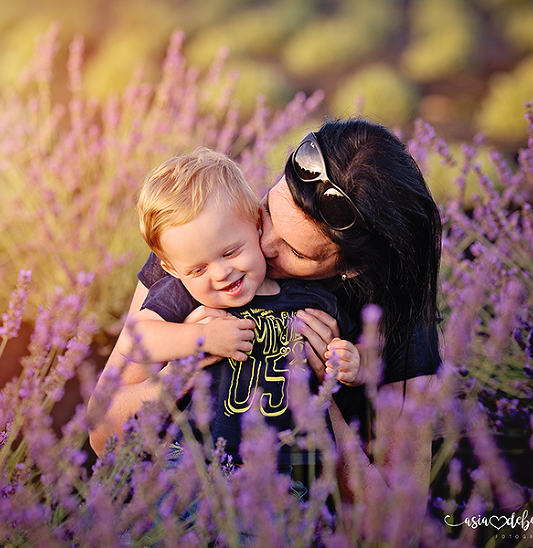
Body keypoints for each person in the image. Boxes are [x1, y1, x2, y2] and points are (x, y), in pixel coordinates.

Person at [89, 118, 441, 527]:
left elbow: (395, 526)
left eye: (297, 251)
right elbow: (101, 435)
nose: (265, 244)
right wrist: (186, 364)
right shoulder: (206, 244)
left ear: (351, 270)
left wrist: (317, 395)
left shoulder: (398, 321)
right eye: (270, 211)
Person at [90, 147, 360, 469]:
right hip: (192, 460)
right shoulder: (185, 295)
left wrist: (351, 365)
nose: (220, 274)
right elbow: (139, 336)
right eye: (197, 269)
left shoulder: (310, 297)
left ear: (257, 223)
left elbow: (355, 351)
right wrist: (200, 337)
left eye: (230, 252)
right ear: (171, 268)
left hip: (281, 466)